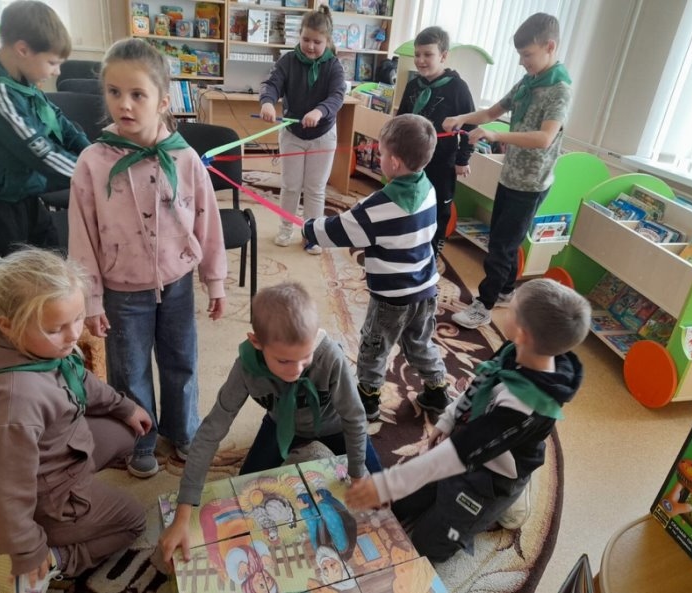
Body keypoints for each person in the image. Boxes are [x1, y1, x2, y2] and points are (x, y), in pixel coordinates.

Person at [67, 38, 227, 479]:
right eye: (114, 92)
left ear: (163, 101)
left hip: (177, 282)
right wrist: (90, 300)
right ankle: (140, 439)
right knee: (129, 371)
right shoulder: (92, 162)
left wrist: (214, 280)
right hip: (122, 290)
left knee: (182, 362)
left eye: (138, 94)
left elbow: (206, 220)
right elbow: (81, 238)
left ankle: (184, 430)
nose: (125, 104)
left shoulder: (185, 157)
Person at [344, 278, 591, 562]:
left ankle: (505, 506)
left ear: (523, 333)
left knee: (430, 545)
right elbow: (482, 381)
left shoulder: (526, 407)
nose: (504, 310)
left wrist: (387, 484)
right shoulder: (517, 349)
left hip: (491, 479)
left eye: (511, 308)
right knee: (402, 504)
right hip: (473, 440)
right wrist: (449, 419)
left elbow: (459, 453)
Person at [0, 248, 151, 593]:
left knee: (125, 431)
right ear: (8, 326)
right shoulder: (14, 403)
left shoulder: (34, 349)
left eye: (77, 318)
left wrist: (124, 407)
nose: (74, 334)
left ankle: (69, 510)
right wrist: (26, 550)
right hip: (49, 495)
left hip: (59, 450)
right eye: (56, 328)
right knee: (134, 520)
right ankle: (52, 558)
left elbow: (79, 380)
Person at [157, 282, 382, 568]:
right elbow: (211, 432)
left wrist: (358, 475)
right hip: (280, 425)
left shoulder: (329, 356)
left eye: (305, 357)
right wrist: (183, 514)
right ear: (256, 343)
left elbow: (355, 417)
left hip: (334, 425)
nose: (296, 370)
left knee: (383, 493)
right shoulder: (245, 367)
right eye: (284, 360)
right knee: (246, 493)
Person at [302, 114, 451, 421]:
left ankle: (367, 401)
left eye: (381, 154)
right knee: (420, 341)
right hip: (425, 290)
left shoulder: (376, 207)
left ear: (394, 162)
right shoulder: (429, 188)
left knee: (374, 346)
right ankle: (437, 390)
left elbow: (337, 231)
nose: (379, 158)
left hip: (391, 298)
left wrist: (307, 228)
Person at [443, 13, 572, 329]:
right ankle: (505, 290)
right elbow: (491, 112)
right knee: (505, 240)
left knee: (501, 245)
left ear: (550, 47)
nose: (522, 62)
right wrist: (463, 118)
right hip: (510, 175)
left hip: (531, 182)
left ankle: (483, 305)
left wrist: (495, 135)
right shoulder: (529, 81)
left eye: (527, 55)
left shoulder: (559, 90)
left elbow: (544, 138)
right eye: (520, 55)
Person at [0, 0, 90, 262]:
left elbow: (58, 121)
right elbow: (37, 149)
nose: (57, 71)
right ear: (23, 49)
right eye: (52, 62)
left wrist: (91, 152)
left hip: (21, 189)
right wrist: (91, 171)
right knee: (0, 276)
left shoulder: (22, 82)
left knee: (51, 261)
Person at [259, 5, 346, 255]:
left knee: (315, 188)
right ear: (299, 36)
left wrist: (319, 112)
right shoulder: (287, 60)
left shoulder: (334, 66)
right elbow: (271, 84)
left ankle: (312, 234)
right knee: (290, 185)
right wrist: (267, 102)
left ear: (327, 41)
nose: (310, 46)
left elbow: (337, 96)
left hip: (323, 135)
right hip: (292, 133)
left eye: (317, 42)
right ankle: (286, 227)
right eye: (306, 39)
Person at [397, 26, 476, 257]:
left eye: (428, 54)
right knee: (407, 202)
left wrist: (462, 159)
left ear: (443, 56)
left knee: (437, 207)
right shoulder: (413, 85)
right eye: (417, 54)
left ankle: (432, 249)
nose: (420, 60)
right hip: (410, 160)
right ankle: (405, 244)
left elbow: (470, 126)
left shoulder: (458, 88)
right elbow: (400, 120)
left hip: (441, 162)